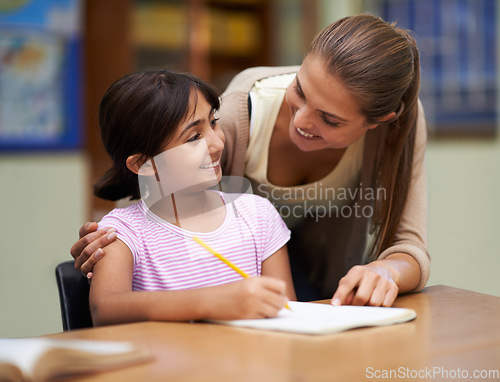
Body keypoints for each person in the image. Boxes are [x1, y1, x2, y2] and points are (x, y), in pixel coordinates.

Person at [72, 14, 429, 307]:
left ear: (379, 121)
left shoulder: (398, 131)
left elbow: (409, 245)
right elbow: (156, 182)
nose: (302, 122)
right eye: (299, 90)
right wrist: (110, 245)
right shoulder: (237, 110)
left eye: (330, 119)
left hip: (323, 296)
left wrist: (388, 271)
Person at [88, 69, 296, 326]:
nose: (217, 143)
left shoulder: (258, 214)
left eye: (213, 122)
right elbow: (105, 309)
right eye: (194, 137)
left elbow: (288, 314)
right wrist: (212, 301)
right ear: (145, 163)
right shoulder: (122, 232)